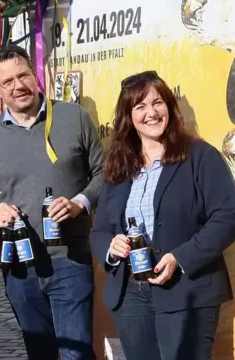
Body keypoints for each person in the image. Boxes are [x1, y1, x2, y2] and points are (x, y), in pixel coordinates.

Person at [0, 44, 103, 360]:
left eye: (23, 75)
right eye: (8, 82)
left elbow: (104, 173)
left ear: (35, 74)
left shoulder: (73, 116)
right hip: (19, 267)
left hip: (70, 259)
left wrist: (80, 203)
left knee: (76, 355)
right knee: (39, 355)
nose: (18, 86)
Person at [90, 71, 235, 360]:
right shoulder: (119, 167)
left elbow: (228, 216)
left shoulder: (199, 156)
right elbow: (99, 230)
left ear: (169, 106)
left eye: (158, 103)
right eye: (140, 106)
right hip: (131, 296)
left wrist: (181, 258)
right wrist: (111, 247)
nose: (151, 112)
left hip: (187, 290)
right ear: (128, 116)